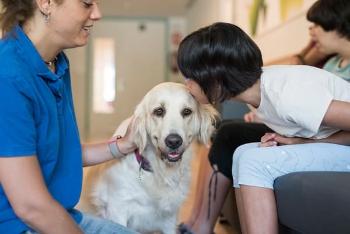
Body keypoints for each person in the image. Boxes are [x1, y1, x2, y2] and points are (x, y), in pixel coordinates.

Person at [176, 1, 350, 234]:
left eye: (190, 77)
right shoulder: (259, 92)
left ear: (215, 77)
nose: (186, 86)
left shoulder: (286, 94)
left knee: (255, 161)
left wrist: (304, 144)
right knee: (242, 153)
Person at [0, 1, 138, 233]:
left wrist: (122, 145)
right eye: (86, 4)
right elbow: (31, 207)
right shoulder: (8, 76)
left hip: (60, 214)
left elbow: (60, 152)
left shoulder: (55, 63)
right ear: (46, 3)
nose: (97, 14)